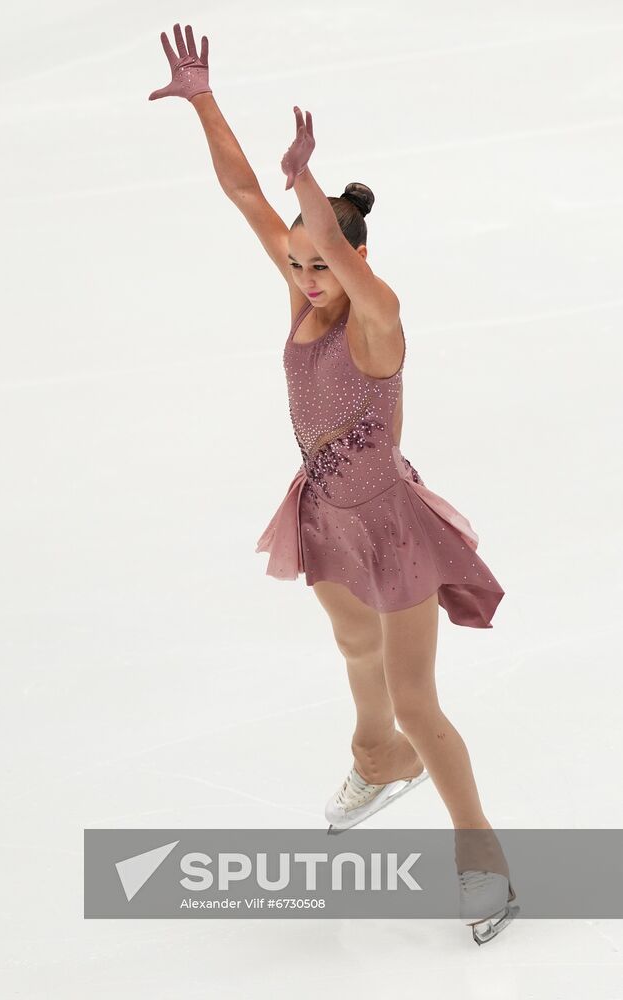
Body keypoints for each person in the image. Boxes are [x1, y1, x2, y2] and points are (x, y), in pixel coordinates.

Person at [149, 23, 518, 943]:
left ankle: (485, 862)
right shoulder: (304, 294)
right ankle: (374, 755)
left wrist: (308, 185)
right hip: (325, 510)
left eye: (322, 261)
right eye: (299, 263)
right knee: (357, 656)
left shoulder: (378, 320)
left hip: (391, 524)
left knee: (419, 696)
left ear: (356, 259)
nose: (308, 277)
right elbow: (243, 193)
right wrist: (202, 99)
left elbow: (341, 260)